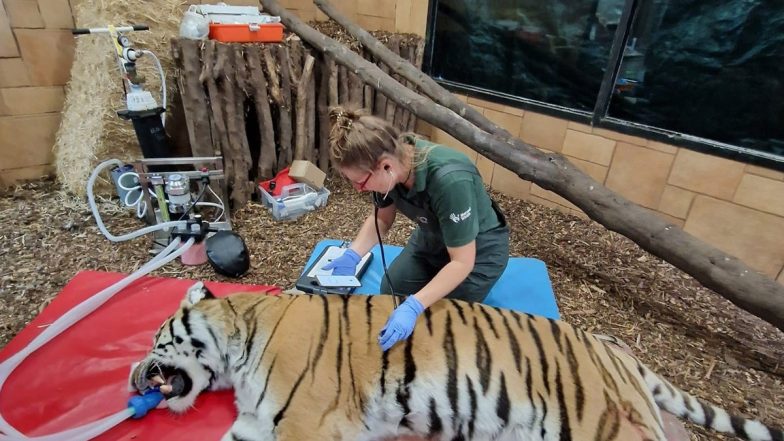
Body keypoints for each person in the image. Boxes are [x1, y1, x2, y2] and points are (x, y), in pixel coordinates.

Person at [323, 107, 509, 351]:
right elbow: (382, 219)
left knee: (438, 320)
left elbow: (462, 262)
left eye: (360, 183)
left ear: (386, 166)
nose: (359, 190)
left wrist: (415, 305)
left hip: (479, 251)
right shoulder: (392, 164)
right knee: (391, 291)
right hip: (431, 238)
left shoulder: (450, 179)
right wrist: (353, 254)